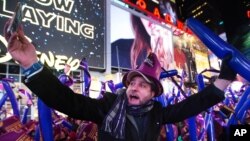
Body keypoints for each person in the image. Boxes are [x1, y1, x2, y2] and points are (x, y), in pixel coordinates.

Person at [4, 18, 237, 141]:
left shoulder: (158, 113)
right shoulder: (106, 107)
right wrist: (30, 63)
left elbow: (192, 105)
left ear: (153, 94)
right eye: (132, 83)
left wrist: (224, 79)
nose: (134, 87)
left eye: (142, 84)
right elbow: (66, 101)